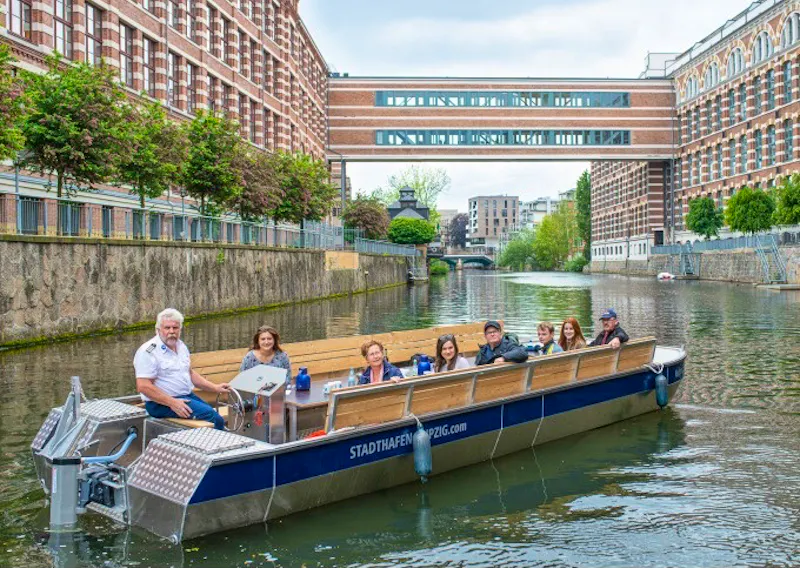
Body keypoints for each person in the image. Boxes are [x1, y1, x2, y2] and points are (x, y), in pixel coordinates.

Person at [134, 308, 229, 430]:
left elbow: (190, 373)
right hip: (160, 403)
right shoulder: (149, 351)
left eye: (175, 328)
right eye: (167, 328)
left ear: (180, 329)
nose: (171, 331)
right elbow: (143, 386)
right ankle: (217, 447)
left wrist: (215, 388)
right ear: (158, 330)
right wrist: (173, 403)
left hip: (186, 396)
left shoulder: (181, 346)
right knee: (214, 418)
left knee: (213, 414)